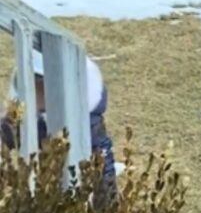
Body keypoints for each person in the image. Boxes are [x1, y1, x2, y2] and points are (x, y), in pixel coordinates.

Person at [3, 50, 117, 195]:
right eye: (33, 87)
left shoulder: (86, 112)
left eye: (41, 87)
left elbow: (102, 161)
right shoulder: (22, 97)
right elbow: (8, 129)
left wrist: (107, 201)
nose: (36, 93)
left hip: (78, 115)